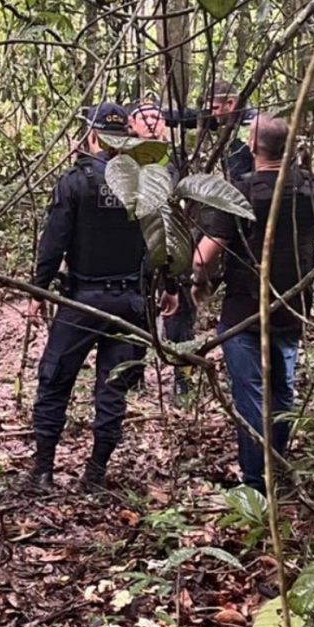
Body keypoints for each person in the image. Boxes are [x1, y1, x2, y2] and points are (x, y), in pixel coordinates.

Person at [25, 102, 178, 491]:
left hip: (82, 300)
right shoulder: (148, 181)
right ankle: (94, 475)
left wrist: (39, 291)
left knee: (55, 379)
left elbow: (53, 241)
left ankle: (43, 470)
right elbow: (163, 242)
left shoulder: (76, 181)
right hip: (128, 302)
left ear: (91, 135)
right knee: (112, 390)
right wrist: (170, 286)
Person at [191, 115, 314, 494]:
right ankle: (276, 467)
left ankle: (255, 482)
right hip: (293, 305)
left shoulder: (239, 194)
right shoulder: (312, 190)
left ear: (252, 147)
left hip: (244, 310)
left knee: (250, 394)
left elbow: (203, 257)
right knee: (281, 390)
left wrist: (198, 285)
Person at [128, 98, 196, 401]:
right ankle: (134, 380)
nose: (152, 122)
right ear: (131, 125)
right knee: (136, 316)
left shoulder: (178, 159)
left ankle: (184, 381)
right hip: (135, 249)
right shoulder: (125, 160)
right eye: (144, 117)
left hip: (175, 245)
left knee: (181, 318)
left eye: (157, 116)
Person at [209, 81, 254, 181]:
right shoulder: (223, 118)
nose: (212, 113)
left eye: (215, 108)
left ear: (230, 104)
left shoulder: (252, 123)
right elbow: (195, 117)